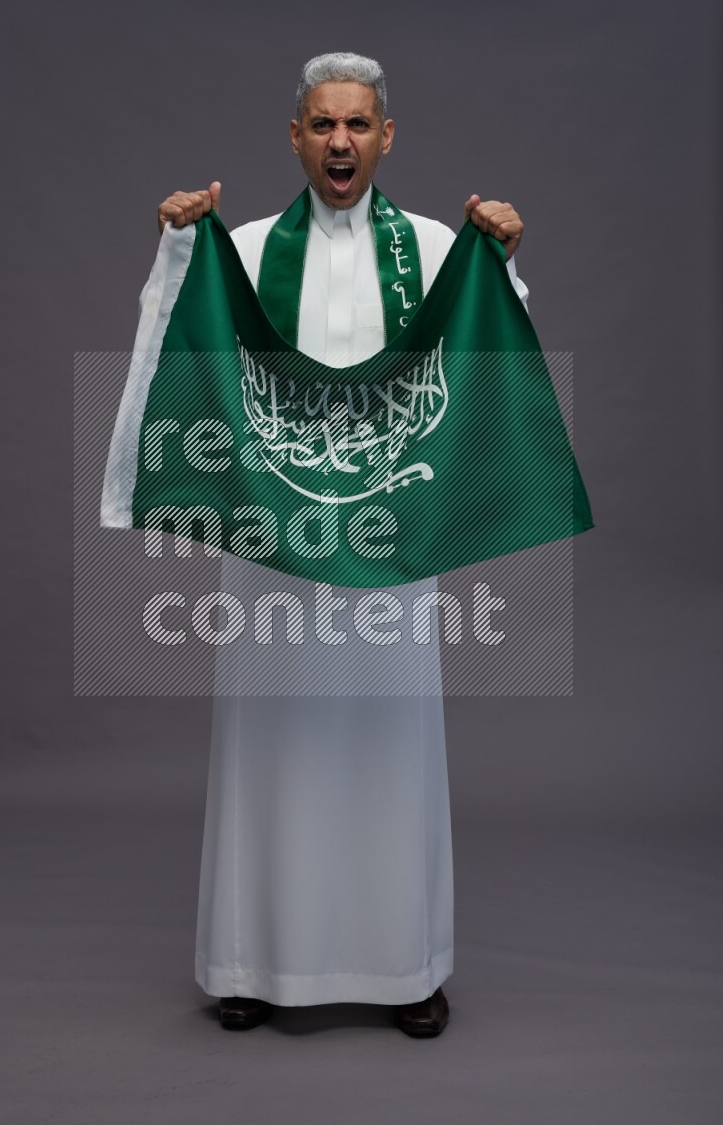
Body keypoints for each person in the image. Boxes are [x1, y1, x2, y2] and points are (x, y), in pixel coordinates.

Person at [151, 53, 527, 1038]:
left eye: (357, 125)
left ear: (385, 136)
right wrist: (177, 249)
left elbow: (496, 361)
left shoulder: (437, 247)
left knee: (386, 742)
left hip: (389, 544)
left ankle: (403, 965)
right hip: (274, 543)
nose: (340, 142)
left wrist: (503, 258)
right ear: (295, 137)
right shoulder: (244, 245)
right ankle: (252, 961)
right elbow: (174, 361)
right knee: (272, 741)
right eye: (321, 125)